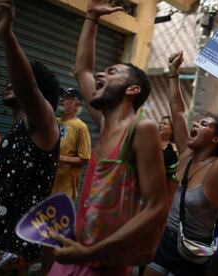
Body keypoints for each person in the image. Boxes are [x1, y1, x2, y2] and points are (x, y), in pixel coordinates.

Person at [48, 0, 168, 274]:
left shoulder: (142, 128)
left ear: (132, 89)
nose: (102, 73)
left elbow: (157, 207)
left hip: (104, 264)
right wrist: (91, 17)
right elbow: (83, 70)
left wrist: (92, 252)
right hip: (76, 252)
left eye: (113, 72)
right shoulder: (105, 124)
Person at [143, 51, 218, 276]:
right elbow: (177, 108)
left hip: (194, 250)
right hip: (167, 240)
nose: (196, 123)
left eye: (204, 124)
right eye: (198, 121)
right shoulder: (185, 153)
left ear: (216, 139)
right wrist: (173, 73)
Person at [0, 0, 60, 273]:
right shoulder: (16, 132)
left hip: (12, 249)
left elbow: (27, 86)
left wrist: (7, 34)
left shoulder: (44, 126)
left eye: (17, 76)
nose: (9, 81)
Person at [51, 87, 91, 201]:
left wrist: (60, 158)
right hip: (46, 186)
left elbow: (85, 159)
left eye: (67, 98)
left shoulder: (81, 127)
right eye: (62, 97)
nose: (62, 100)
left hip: (64, 191)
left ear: (77, 105)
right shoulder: (54, 121)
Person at [159, 115, 179, 208]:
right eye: (160, 123)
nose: (161, 125)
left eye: (165, 124)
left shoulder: (175, 148)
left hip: (167, 188)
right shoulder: (152, 142)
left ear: (172, 129)